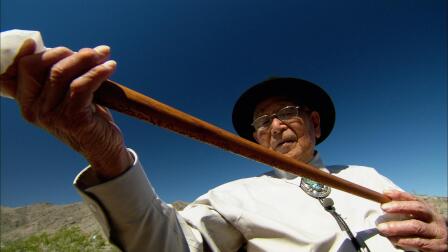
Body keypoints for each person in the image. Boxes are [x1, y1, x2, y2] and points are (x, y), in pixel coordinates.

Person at [2, 42, 447, 252]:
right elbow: (168, 247)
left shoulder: (368, 177)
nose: (275, 125)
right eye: (262, 121)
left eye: (287, 111)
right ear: (255, 139)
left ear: (313, 122)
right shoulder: (234, 198)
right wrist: (107, 157)